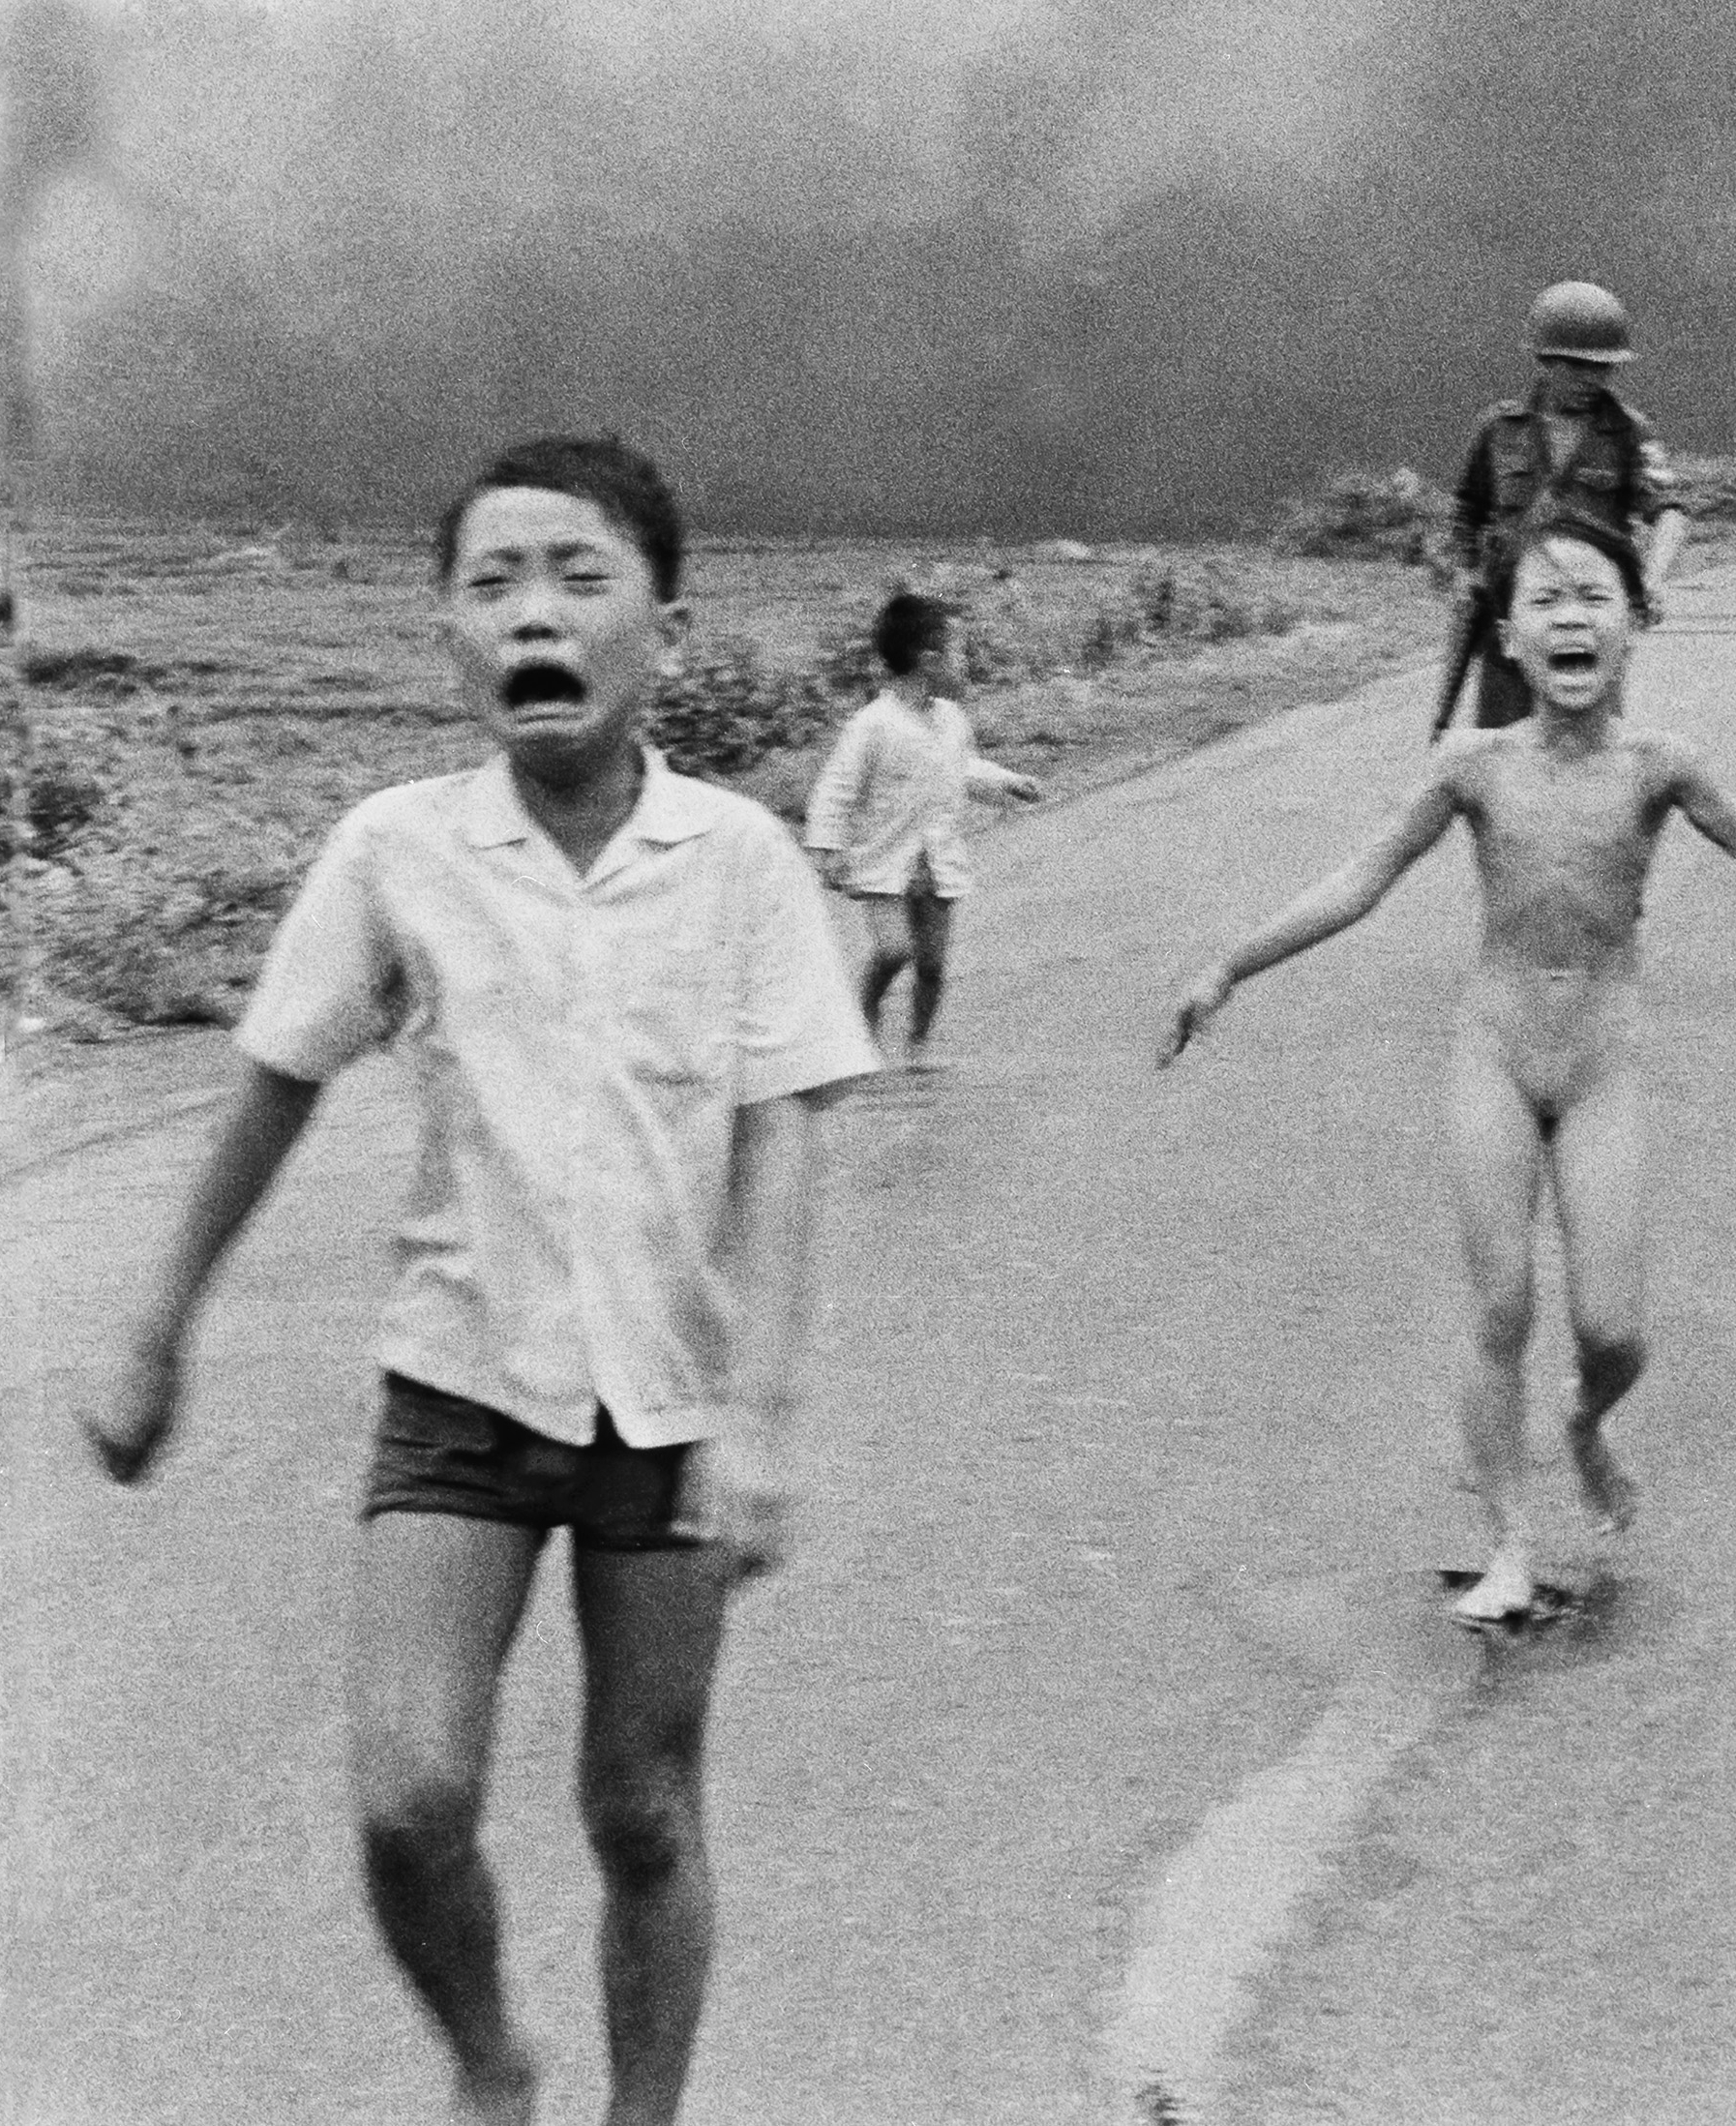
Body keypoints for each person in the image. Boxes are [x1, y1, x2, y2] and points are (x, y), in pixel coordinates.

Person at [82, 435, 880, 2125]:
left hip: (664, 1409)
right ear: (446, 629)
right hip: (459, 1389)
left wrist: (764, 1418)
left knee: (643, 1809)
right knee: (407, 1797)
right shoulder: (396, 849)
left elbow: (788, 1136)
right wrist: (158, 1323)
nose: (535, 611)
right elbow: (277, 1081)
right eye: (493, 580)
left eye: (579, 575)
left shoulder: (737, 857)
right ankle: (492, 2064)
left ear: (668, 619)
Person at [1163, 517, 1736, 1627]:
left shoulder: (1661, 767)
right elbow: (1359, 880)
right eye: (1546, 599)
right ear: (1509, 638)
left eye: (1595, 595)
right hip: (1492, 1054)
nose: (1572, 614)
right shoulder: (1474, 767)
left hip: (1602, 1065)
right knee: (1500, 1306)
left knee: (1614, 1332)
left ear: (1634, 628)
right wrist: (1229, 967)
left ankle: (1587, 1424)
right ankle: (1506, 1540)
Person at [804, 589, 1043, 1068]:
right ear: (928, 659)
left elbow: (963, 767)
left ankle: (918, 1046)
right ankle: (861, 1019)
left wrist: (1010, 781)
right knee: (894, 950)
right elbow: (837, 787)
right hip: (886, 862)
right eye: (955, 653)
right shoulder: (873, 724)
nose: (962, 663)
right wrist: (826, 848)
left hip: (937, 863)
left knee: (932, 966)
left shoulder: (952, 719)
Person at [1438, 282, 1689, 734]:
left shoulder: (1630, 433)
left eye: (1603, 368)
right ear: (1546, 361)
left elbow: (1670, 511)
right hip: (1514, 618)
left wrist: (1651, 582)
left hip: (1590, 621)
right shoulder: (1500, 431)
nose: (1592, 379)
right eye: (1578, 366)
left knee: (1588, 744)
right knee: (1501, 747)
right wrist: (1465, 573)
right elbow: (1467, 511)